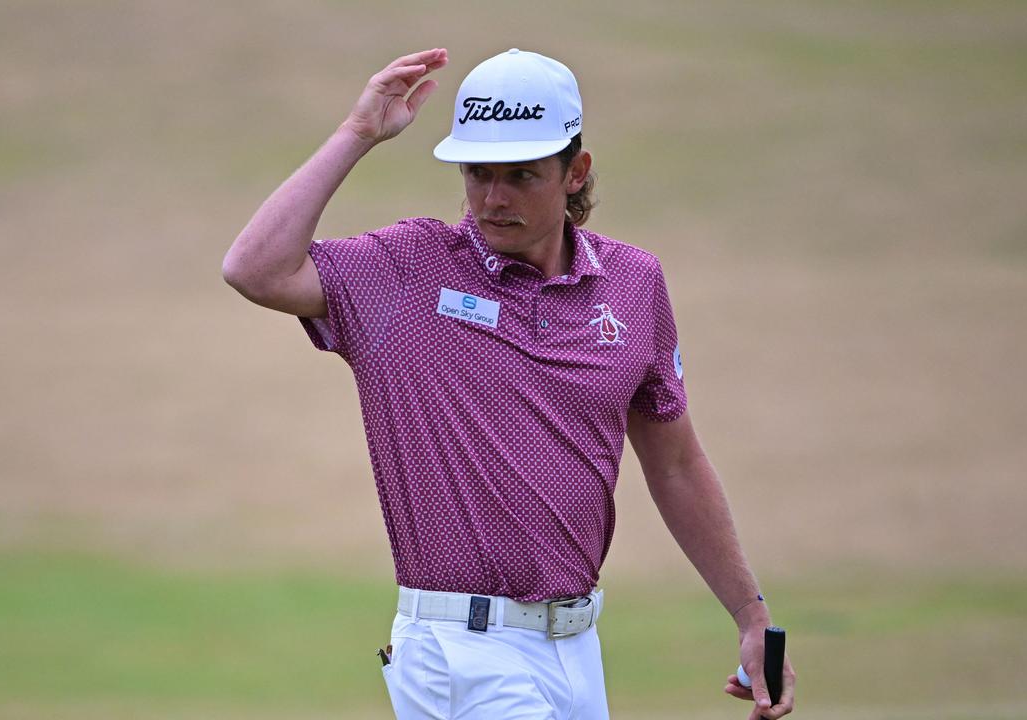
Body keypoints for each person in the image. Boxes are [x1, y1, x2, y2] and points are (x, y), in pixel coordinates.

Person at [223, 47, 796, 720]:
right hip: (459, 654)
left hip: (577, 649)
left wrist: (750, 616)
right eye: (477, 174)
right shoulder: (409, 270)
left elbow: (675, 465)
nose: (493, 199)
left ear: (575, 171)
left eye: (520, 175)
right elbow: (255, 269)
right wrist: (357, 134)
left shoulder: (634, 285)